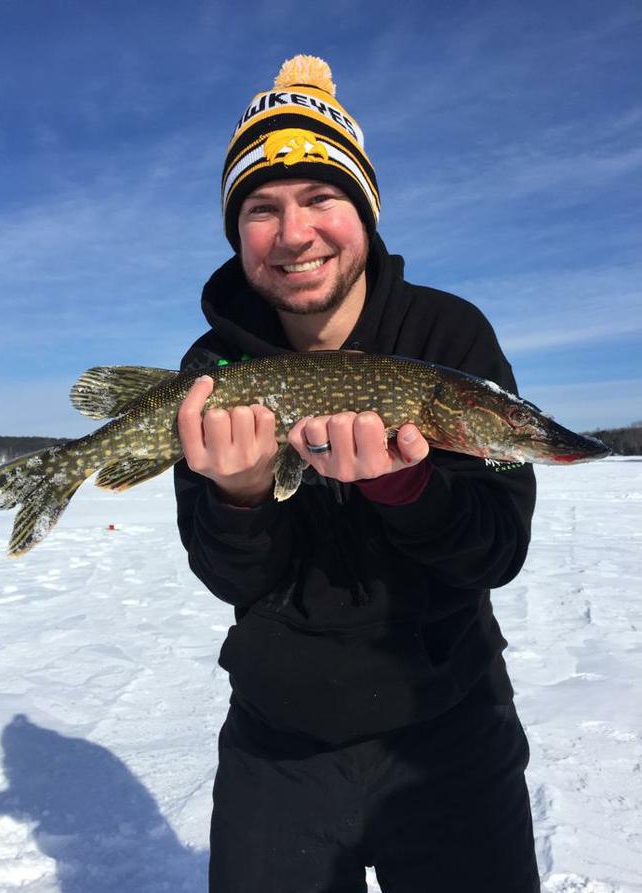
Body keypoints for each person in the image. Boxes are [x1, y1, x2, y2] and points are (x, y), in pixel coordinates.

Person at [174, 55, 540, 893]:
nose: (294, 233)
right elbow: (231, 573)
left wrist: (409, 490)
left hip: (450, 727)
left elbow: (496, 552)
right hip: (281, 745)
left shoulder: (447, 335)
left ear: (365, 210)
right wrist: (238, 496)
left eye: (321, 198)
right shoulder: (214, 367)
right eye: (262, 209)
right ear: (237, 234)